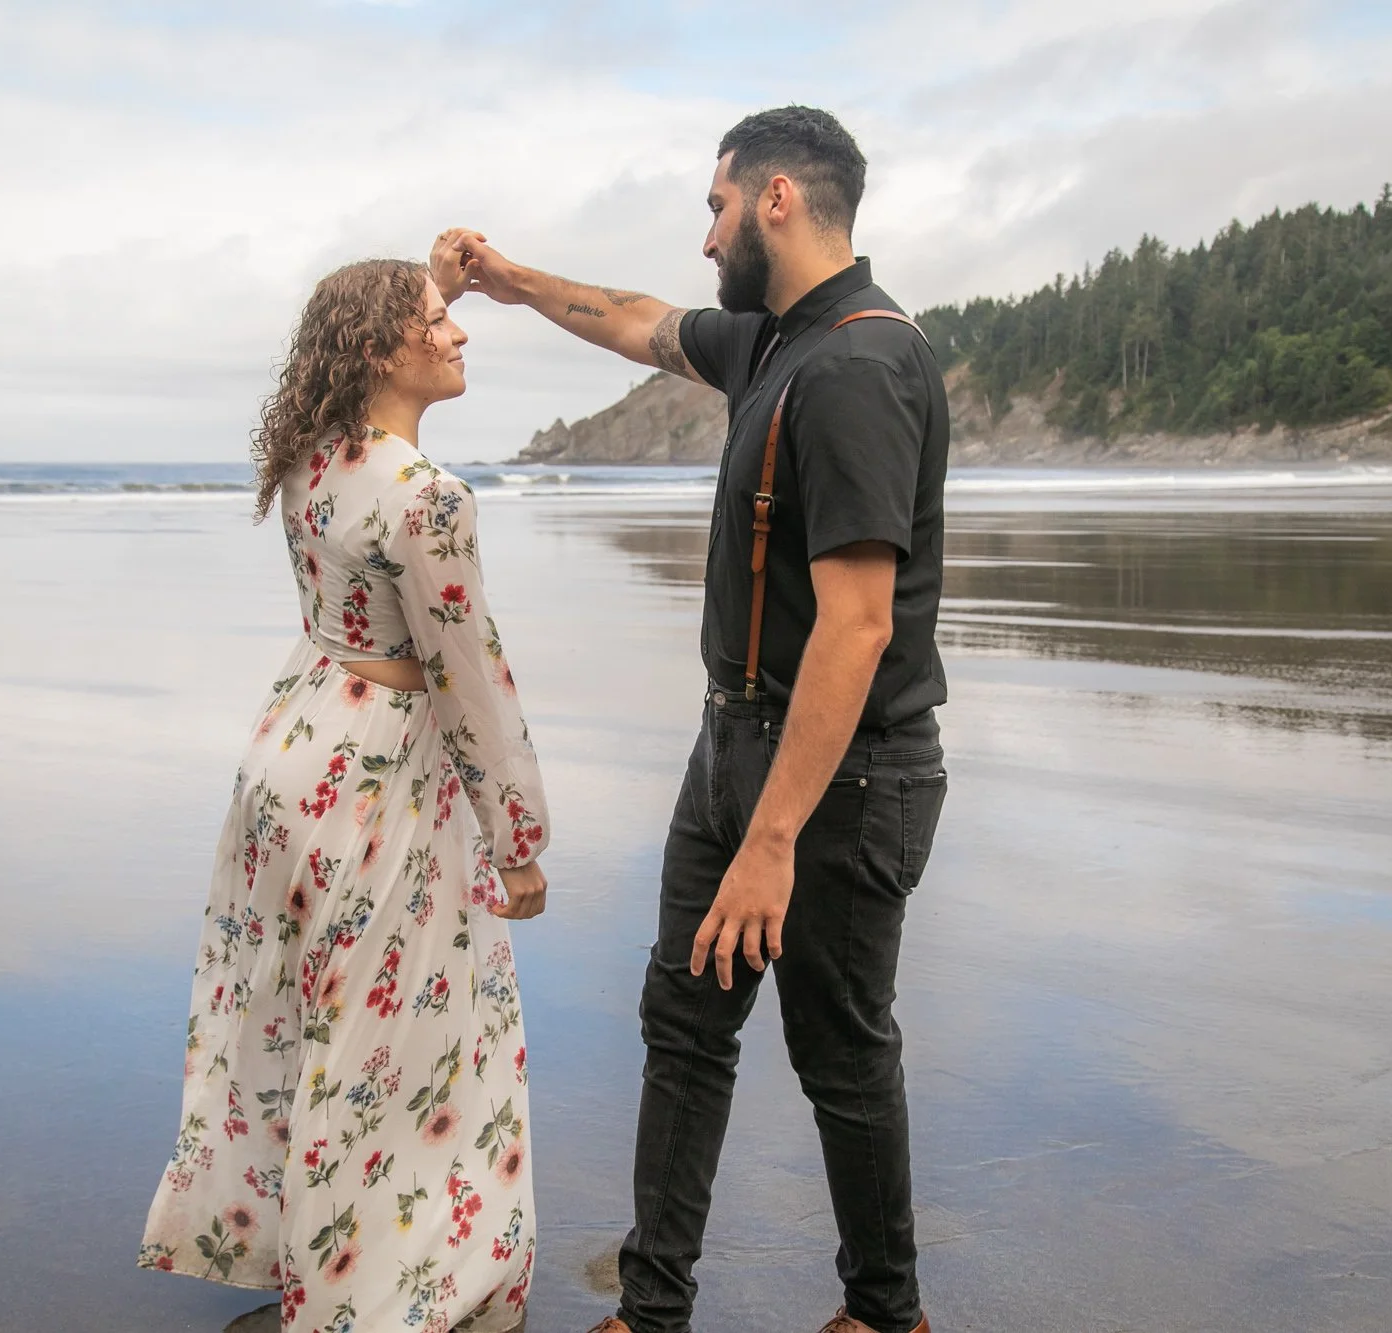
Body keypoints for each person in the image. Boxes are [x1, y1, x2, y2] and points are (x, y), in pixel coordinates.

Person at [436, 105, 948, 1333]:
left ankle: (884, 1313)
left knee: (837, 1051)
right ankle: (650, 1308)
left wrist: (773, 836)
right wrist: (508, 283)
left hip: (842, 775)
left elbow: (858, 625)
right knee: (684, 1019)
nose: (703, 231)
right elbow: (632, 321)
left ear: (775, 197)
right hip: (734, 743)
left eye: (714, 204)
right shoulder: (779, 340)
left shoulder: (858, 367)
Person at [138, 256, 551, 1333]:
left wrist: (434, 272)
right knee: (404, 1045)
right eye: (435, 321)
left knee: (306, 1018)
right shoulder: (429, 500)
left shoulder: (314, 462)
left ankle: (321, 1279)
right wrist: (519, 838)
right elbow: (469, 678)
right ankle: (380, 1298)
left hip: (295, 746)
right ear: (380, 351)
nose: (458, 335)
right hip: (380, 779)